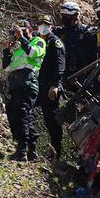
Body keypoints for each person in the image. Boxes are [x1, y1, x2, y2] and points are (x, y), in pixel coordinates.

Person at [2, 19, 46, 161]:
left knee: (22, 114)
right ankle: (32, 151)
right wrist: (7, 51)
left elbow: (33, 54)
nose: (19, 34)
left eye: (23, 31)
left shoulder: (38, 41)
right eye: (18, 33)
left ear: (29, 30)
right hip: (16, 85)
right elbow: (7, 68)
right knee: (17, 113)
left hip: (28, 83)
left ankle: (22, 151)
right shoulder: (19, 49)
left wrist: (22, 38)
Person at [35, 15, 66, 160]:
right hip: (36, 84)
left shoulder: (55, 42)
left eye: (46, 24)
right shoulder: (36, 40)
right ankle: (30, 147)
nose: (43, 26)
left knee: (51, 120)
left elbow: (60, 66)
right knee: (25, 110)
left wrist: (55, 85)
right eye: (41, 24)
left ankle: (56, 153)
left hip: (49, 86)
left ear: (51, 26)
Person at [54, 1, 93, 89]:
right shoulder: (58, 31)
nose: (65, 19)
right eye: (63, 16)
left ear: (76, 16)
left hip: (82, 74)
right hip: (63, 73)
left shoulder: (86, 32)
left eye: (68, 16)